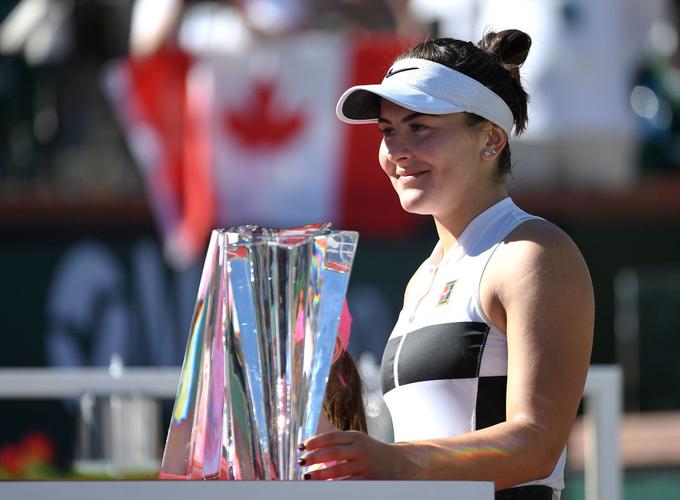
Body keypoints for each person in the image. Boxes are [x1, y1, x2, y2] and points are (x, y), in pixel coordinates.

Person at [297, 30, 594, 499]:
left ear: (492, 139)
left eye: (420, 127)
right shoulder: (422, 279)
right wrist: (314, 375)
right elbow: (419, 453)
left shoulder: (534, 252)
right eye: (388, 131)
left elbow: (537, 443)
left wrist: (395, 461)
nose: (397, 151)